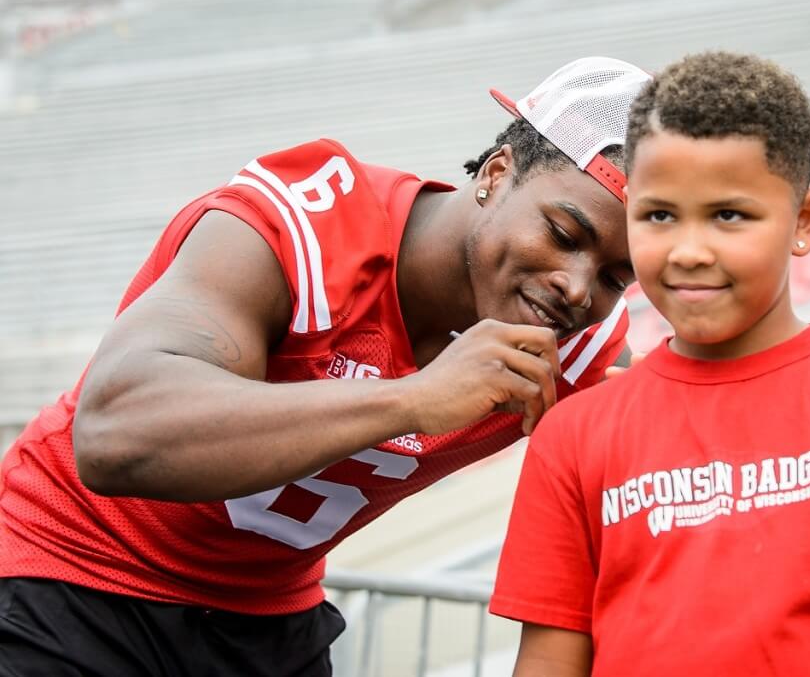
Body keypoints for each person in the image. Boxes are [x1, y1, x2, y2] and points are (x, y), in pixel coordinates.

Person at [0, 57, 652, 676]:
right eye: (565, 235)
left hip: (262, 615)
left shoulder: (584, 348)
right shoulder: (304, 224)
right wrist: (414, 399)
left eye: (614, 277)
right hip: (68, 569)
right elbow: (114, 433)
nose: (575, 286)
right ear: (497, 173)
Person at [489, 51, 810, 677]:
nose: (688, 251)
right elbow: (548, 663)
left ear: (805, 219)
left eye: (728, 215)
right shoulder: (574, 437)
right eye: (658, 215)